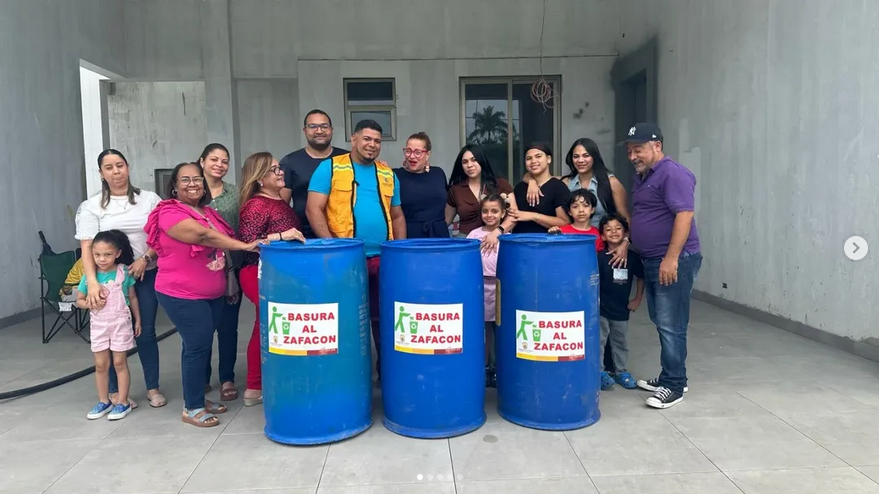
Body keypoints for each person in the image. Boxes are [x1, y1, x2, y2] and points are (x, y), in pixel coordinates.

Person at [144, 162, 266, 427]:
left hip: (212, 293)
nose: (193, 184)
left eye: (197, 179)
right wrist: (245, 246)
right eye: (185, 179)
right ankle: (192, 407)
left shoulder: (207, 212)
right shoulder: (169, 211)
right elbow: (202, 236)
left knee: (197, 346)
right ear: (174, 186)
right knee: (197, 346)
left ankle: (196, 397)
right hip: (181, 293)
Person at [306, 119, 406, 381]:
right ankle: (349, 376)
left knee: (385, 317)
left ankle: (386, 373)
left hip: (383, 257)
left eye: (377, 141)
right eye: (367, 139)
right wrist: (334, 248)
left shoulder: (387, 173)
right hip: (347, 258)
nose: (372, 145)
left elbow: (397, 215)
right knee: (347, 317)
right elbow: (313, 209)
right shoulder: (330, 167)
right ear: (353, 139)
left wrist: (400, 253)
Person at [75, 149, 164, 409]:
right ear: (101, 173)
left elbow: (162, 234)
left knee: (145, 331)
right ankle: (114, 392)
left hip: (145, 274)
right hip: (107, 280)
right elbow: (87, 247)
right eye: (109, 167)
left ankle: (153, 387)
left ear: (128, 167)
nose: (116, 172)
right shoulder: (92, 206)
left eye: (120, 165)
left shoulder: (149, 200)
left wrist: (145, 258)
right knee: (109, 336)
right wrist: (93, 282)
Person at [622, 122, 702, 409]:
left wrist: (671, 258)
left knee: (671, 323)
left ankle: (674, 386)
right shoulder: (644, 176)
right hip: (653, 259)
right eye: (630, 151)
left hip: (673, 259)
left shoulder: (673, 173)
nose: (633, 156)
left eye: (639, 150)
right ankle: (672, 375)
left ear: (657, 146)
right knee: (662, 320)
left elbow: (684, 215)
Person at [238, 152, 306, 406]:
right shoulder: (256, 204)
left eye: (279, 168)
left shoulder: (278, 200)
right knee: (267, 325)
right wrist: (281, 236)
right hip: (258, 272)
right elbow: (248, 243)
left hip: (278, 273)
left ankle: (267, 382)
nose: (280, 173)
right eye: (274, 170)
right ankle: (255, 386)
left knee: (272, 326)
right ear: (259, 178)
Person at [77, 230, 141, 421]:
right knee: (101, 364)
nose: (102, 259)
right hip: (99, 326)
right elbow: (79, 300)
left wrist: (138, 319)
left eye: (107, 254)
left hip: (121, 324)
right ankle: (104, 400)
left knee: (120, 363)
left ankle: (123, 402)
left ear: (118, 253)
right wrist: (90, 303)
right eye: (97, 255)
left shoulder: (124, 272)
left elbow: (132, 297)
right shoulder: (89, 278)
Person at [198, 143, 240, 402]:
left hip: (229, 268)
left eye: (224, 161)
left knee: (227, 326)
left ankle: (227, 377)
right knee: (200, 326)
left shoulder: (235, 194)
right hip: (196, 267)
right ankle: (201, 377)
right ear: (202, 161)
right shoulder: (190, 191)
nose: (219, 165)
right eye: (214, 159)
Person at [279, 109, 348, 238]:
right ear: (305, 130)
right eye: (313, 126)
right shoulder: (290, 162)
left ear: (331, 129)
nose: (319, 131)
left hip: (345, 234)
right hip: (303, 237)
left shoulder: (347, 159)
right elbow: (281, 207)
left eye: (324, 126)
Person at [596, 214, 644, 391]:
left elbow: (641, 277)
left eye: (618, 229)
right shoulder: (599, 257)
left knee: (620, 342)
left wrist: (637, 298)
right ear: (602, 236)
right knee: (599, 342)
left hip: (622, 310)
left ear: (625, 233)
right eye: (608, 230)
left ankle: (621, 372)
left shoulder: (632, 257)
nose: (614, 232)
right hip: (601, 309)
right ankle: (600, 372)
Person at [466, 194, 507, 388]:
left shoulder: (507, 237)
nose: (489, 215)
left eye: (494, 211)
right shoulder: (474, 235)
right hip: (479, 288)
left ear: (503, 213)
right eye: (485, 211)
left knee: (500, 331)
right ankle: (482, 369)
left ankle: (498, 369)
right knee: (482, 332)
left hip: (500, 288)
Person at [445, 145, 515, 245]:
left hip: (497, 240)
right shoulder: (455, 190)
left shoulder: (501, 184)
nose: (469, 165)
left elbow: (514, 216)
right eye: (465, 162)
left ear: (482, 160)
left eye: (474, 160)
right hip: (466, 242)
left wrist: (497, 232)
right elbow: (446, 221)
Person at [394, 132, 449, 238]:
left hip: (439, 236)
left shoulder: (438, 173)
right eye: (408, 151)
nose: (412, 156)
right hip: (410, 236)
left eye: (417, 152)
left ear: (427, 154)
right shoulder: (395, 175)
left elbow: (447, 204)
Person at [509, 143, 571, 233]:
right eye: (528, 158)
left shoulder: (558, 187)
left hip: (546, 240)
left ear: (548, 159)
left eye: (538, 156)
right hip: (519, 239)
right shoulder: (519, 187)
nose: (533, 161)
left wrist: (533, 216)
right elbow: (513, 216)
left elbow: (565, 222)